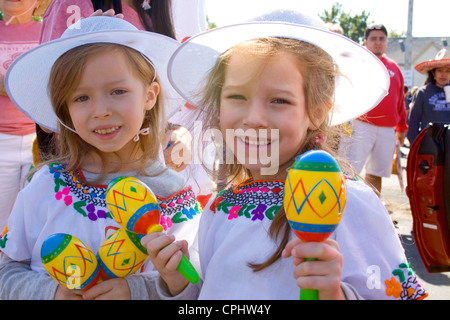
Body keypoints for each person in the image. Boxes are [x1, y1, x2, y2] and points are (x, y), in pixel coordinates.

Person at [141, 11, 428, 300]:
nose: (253, 118)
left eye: (279, 100)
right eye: (237, 97)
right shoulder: (219, 208)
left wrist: (336, 295)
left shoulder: (347, 203)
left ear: (317, 111)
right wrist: (178, 282)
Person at [0, 16, 201, 300]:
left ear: (150, 95)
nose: (101, 110)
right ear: (65, 109)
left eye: (117, 91)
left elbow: (195, 289)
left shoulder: (174, 196)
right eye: (81, 97)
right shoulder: (43, 186)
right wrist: (51, 293)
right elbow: (6, 272)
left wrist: (137, 291)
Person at [338, 24, 408, 196]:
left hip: (387, 130)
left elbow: (400, 101)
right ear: (365, 41)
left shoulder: (394, 67)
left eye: (381, 38)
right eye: (373, 39)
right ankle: (344, 207)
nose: (378, 42)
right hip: (361, 125)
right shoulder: (357, 62)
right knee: (348, 171)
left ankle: (372, 209)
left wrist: (402, 128)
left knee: (376, 174)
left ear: (387, 41)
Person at [0, 0, 45, 232]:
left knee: (33, 217)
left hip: (40, 140)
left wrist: (7, 83)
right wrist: (26, 83)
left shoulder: (47, 32)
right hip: (1, 140)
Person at [406, 49, 450, 144]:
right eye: (440, 70)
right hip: (429, 146)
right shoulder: (423, 92)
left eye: (448, 71)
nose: (444, 74)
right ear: (433, 73)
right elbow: (413, 122)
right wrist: (417, 146)